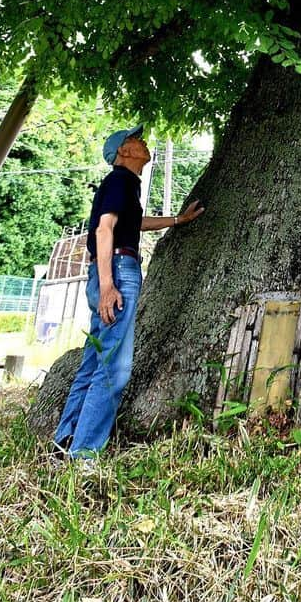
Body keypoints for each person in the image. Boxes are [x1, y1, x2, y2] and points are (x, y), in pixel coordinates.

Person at [53, 126, 204, 459]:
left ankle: (64, 441)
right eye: (136, 139)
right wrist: (109, 286)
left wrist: (177, 220)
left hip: (105, 273)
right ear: (123, 151)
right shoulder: (120, 180)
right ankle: (83, 456)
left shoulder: (124, 186)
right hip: (117, 273)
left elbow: (131, 223)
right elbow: (105, 228)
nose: (144, 141)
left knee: (93, 364)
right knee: (114, 370)